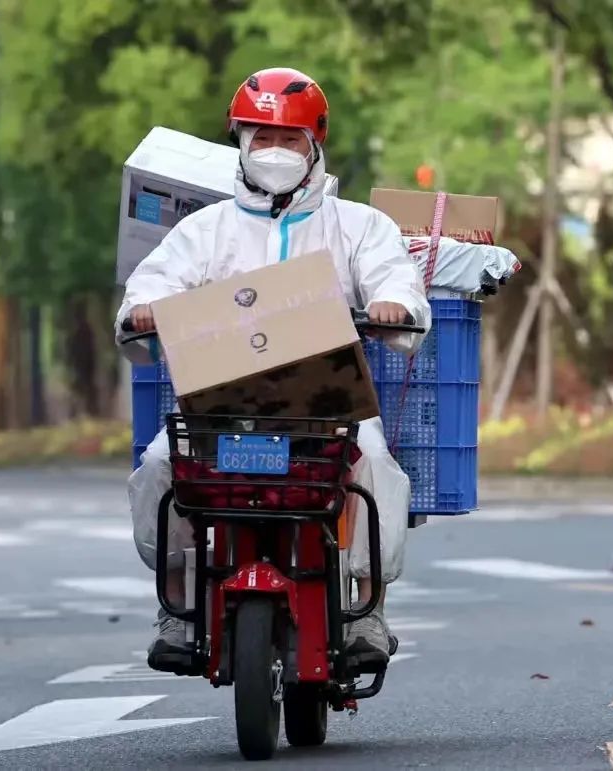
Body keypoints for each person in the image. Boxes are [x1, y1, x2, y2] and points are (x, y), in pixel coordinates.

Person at [116, 67, 431, 670]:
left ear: (315, 147)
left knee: (375, 469)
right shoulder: (202, 230)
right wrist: (142, 312)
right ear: (240, 144)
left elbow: (397, 280)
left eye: (290, 140)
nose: (275, 152)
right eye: (262, 138)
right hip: (216, 408)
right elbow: (149, 286)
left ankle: (366, 609)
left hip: (329, 409)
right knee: (159, 466)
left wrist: (396, 306)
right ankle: (178, 609)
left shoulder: (359, 226)